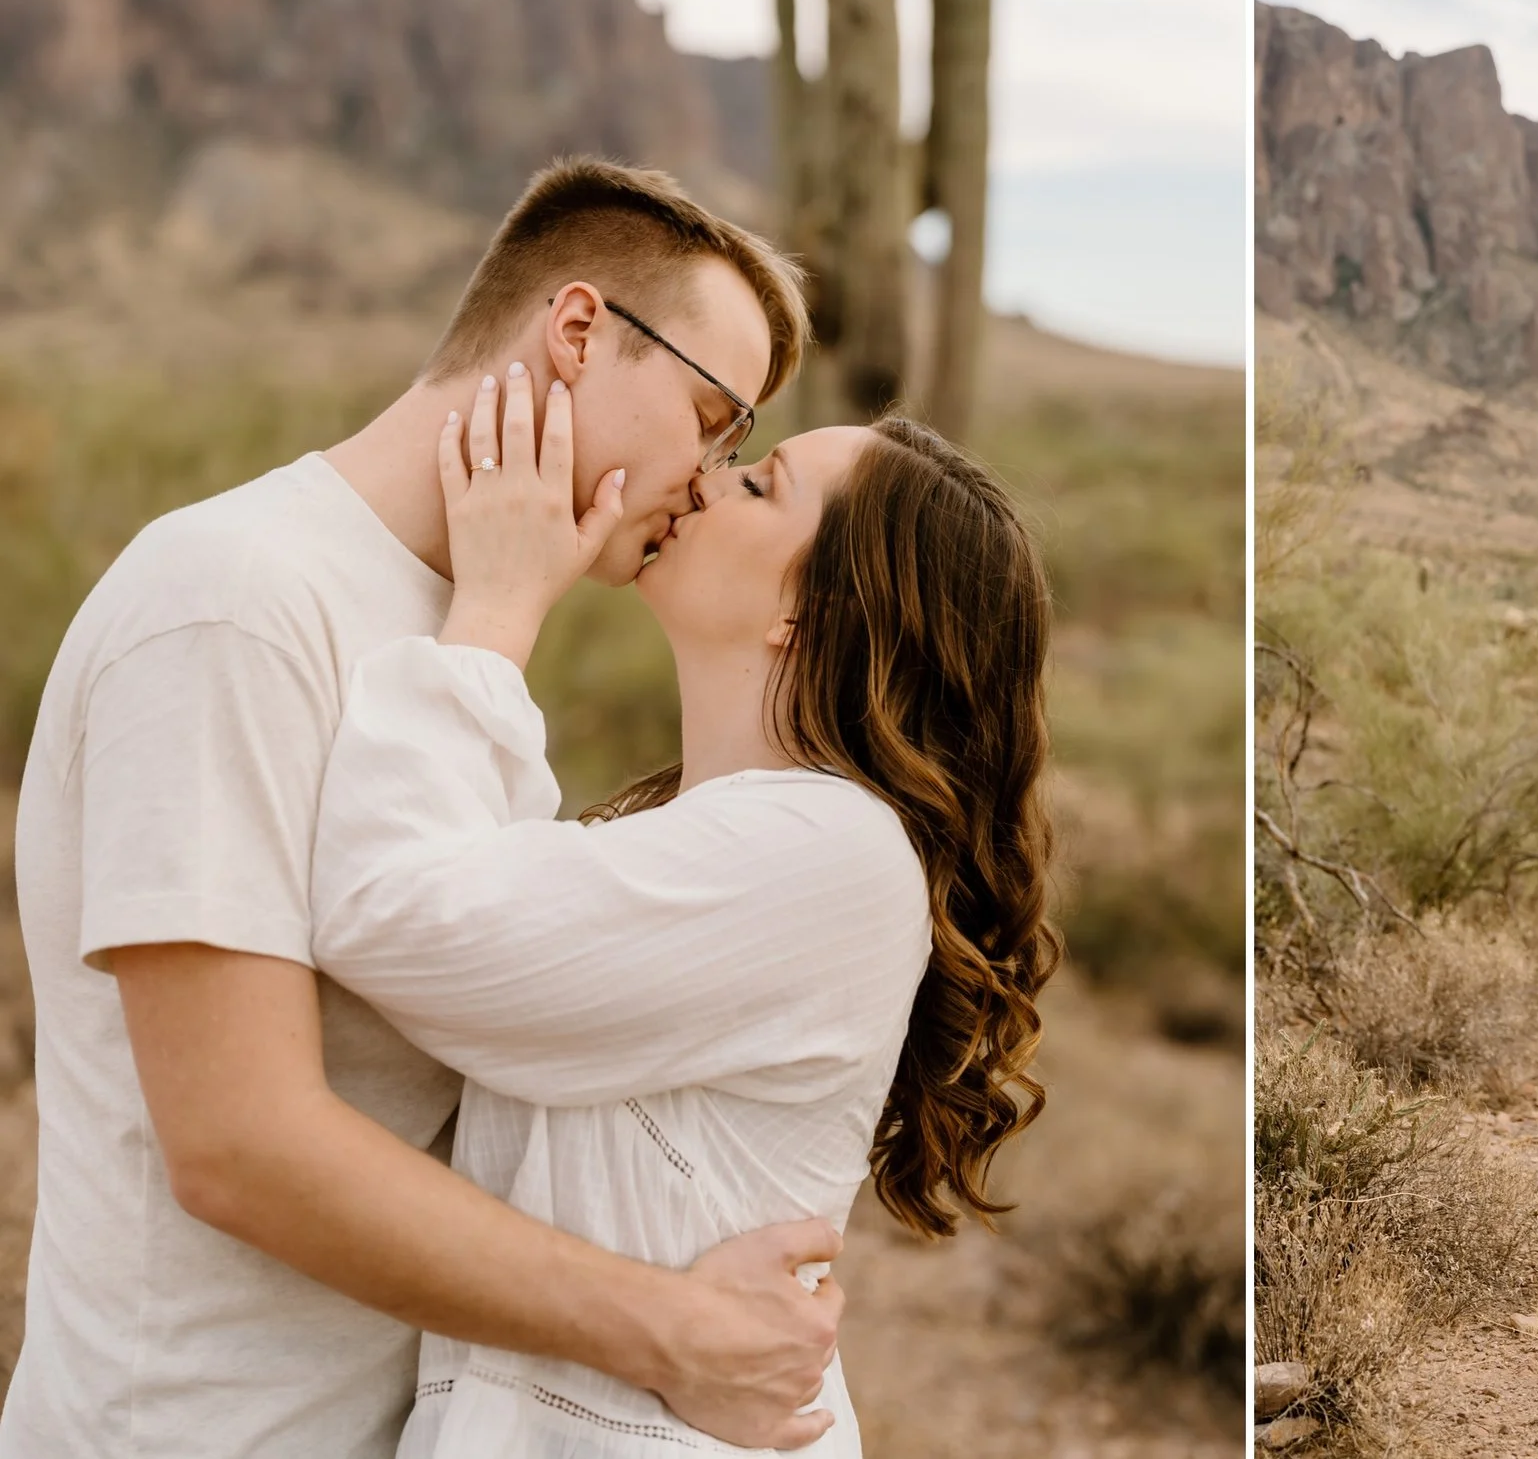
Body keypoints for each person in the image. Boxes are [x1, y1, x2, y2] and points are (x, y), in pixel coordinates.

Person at [3, 162, 850, 1457]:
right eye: (711, 413)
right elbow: (239, 1143)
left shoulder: (467, 636)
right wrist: (670, 1330)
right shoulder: (232, 601)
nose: (711, 476)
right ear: (576, 333)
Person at [304, 370, 1056, 1454]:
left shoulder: (826, 854)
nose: (708, 479)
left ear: (811, 612)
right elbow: (478, 898)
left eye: (761, 485)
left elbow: (400, 916)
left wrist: (497, 613)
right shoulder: (700, 833)